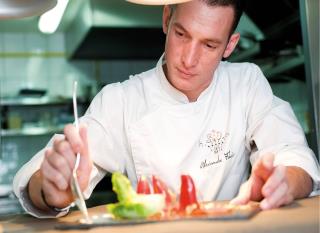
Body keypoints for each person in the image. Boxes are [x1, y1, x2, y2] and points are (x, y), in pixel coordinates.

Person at [13, 0, 320, 218]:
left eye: (210, 45)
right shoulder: (122, 100)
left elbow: (293, 155)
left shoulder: (246, 83)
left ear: (230, 45)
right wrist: (53, 189)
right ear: (166, 20)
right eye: (181, 34)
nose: (188, 59)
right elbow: (43, 185)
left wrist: (286, 180)